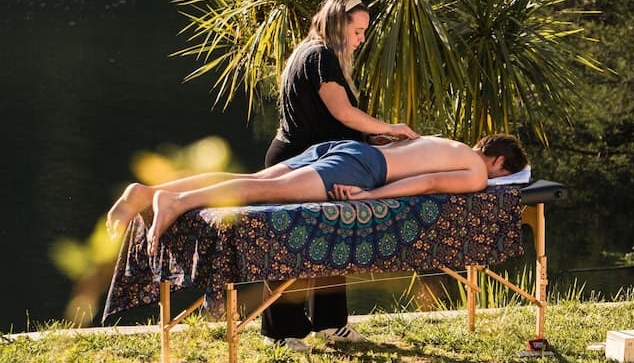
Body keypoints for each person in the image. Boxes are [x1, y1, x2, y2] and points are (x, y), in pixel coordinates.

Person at [261, 0, 418, 350]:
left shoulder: (313, 53)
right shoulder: (320, 56)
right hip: (298, 160)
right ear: (337, 24)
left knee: (331, 239)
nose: (361, 40)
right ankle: (282, 331)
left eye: (364, 32)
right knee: (290, 245)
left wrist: (371, 138)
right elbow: (342, 112)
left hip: (321, 161)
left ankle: (331, 324)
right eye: (357, 31)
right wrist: (390, 128)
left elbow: (335, 122)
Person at [106, 132, 529, 259]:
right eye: (503, 176)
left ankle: (149, 192)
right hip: (363, 168)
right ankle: (177, 202)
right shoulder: (477, 171)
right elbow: (430, 184)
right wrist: (368, 196)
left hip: (346, 149)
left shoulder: (449, 143)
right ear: (498, 162)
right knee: (268, 192)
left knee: (253, 176)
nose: (497, 182)